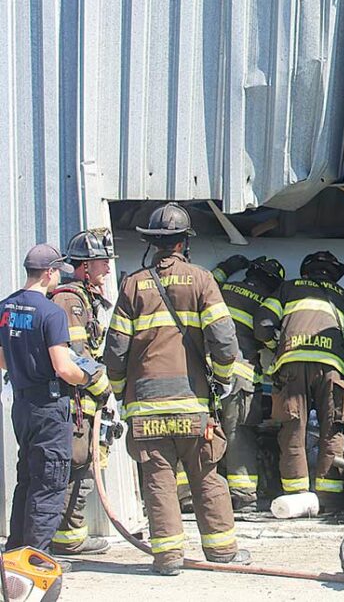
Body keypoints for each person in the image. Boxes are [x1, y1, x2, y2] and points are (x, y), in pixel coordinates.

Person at [104, 202, 249, 575]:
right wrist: (221, 378)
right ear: (184, 242)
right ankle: (223, 553)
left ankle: (167, 558)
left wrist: (120, 392)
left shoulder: (133, 285)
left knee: (158, 481)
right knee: (206, 475)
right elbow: (224, 340)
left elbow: (116, 350)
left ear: (154, 243)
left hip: (146, 408)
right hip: (193, 406)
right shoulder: (202, 280)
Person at [0, 244, 103, 554]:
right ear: (48, 273)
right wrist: (88, 376)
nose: (60, 276)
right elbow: (63, 367)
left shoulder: (5, 308)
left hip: (22, 405)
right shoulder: (50, 312)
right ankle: (37, 557)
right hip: (50, 407)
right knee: (50, 482)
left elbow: (3, 361)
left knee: (28, 478)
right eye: (58, 271)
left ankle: (16, 552)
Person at [254, 250, 344, 513]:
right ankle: (329, 498)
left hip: (292, 365)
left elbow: (262, 323)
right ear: (334, 274)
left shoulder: (287, 289)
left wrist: (276, 346)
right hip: (331, 369)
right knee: (332, 430)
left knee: (293, 428)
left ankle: (296, 497)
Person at [49, 229, 118, 556]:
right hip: (75, 401)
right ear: (85, 266)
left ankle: (68, 536)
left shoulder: (83, 298)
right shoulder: (69, 300)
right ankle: (66, 538)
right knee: (77, 464)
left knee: (85, 465)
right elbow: (76, 354)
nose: (106, 269)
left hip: (85, 401)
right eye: (102, 262)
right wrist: (103, 387)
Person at [212, 253, 286, 510]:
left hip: (203, 372)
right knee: (238, 433)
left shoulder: (219, 288)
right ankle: (243, 496)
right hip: (239, 376)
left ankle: (188, 493)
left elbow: (207, 280)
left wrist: (228, 265)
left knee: (198, 430)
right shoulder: (268, 302)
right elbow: (265, 332)